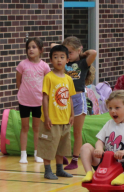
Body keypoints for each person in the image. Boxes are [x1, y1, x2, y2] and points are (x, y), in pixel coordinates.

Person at [80, 87, 124, 185]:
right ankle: (89, 173)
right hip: (106, 164)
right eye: (110, 108)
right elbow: (100, 140)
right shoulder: (109, 123)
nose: (113, 111)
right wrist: (99, 149)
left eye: (117, 108)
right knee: (86, 146)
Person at [51, 36, 97, 170]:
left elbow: (93, 53)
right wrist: (65, 49)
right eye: (66, 52)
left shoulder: (83, 63)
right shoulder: (64, 62)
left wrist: (81, 54)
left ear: (78, 50)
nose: (67, 55)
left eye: (70, 52)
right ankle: (62, 154)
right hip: (64, 100)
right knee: (62, 130)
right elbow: (53, 46)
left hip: (78, 99)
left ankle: (75, 159)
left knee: (77, 131)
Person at [37, 45, 76, 180]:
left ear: (67, 59)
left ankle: (59, 169)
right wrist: (46, 116)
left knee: (62, 146)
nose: (59, 60)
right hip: (52, 120)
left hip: (65, 119)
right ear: (50, 60)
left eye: (62, 57)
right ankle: (47, 171)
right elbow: (45, 97)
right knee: (48, 145)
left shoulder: (68, 79)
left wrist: (72, 114)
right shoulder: (49, 77)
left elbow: (69, 97)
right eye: (55, 57)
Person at [16, 37, 51, 163]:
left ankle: (37, 153)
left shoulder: (45, 67)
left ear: (40, 50)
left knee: (37, 128)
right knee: (24, 127)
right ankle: (23, 154)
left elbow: (48, 83)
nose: (31, 50)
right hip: (24, 101)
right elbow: (18, 81)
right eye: (29, 47)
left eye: (34, 47)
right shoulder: (22, 65)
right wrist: (23, 93)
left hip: (38, 102)